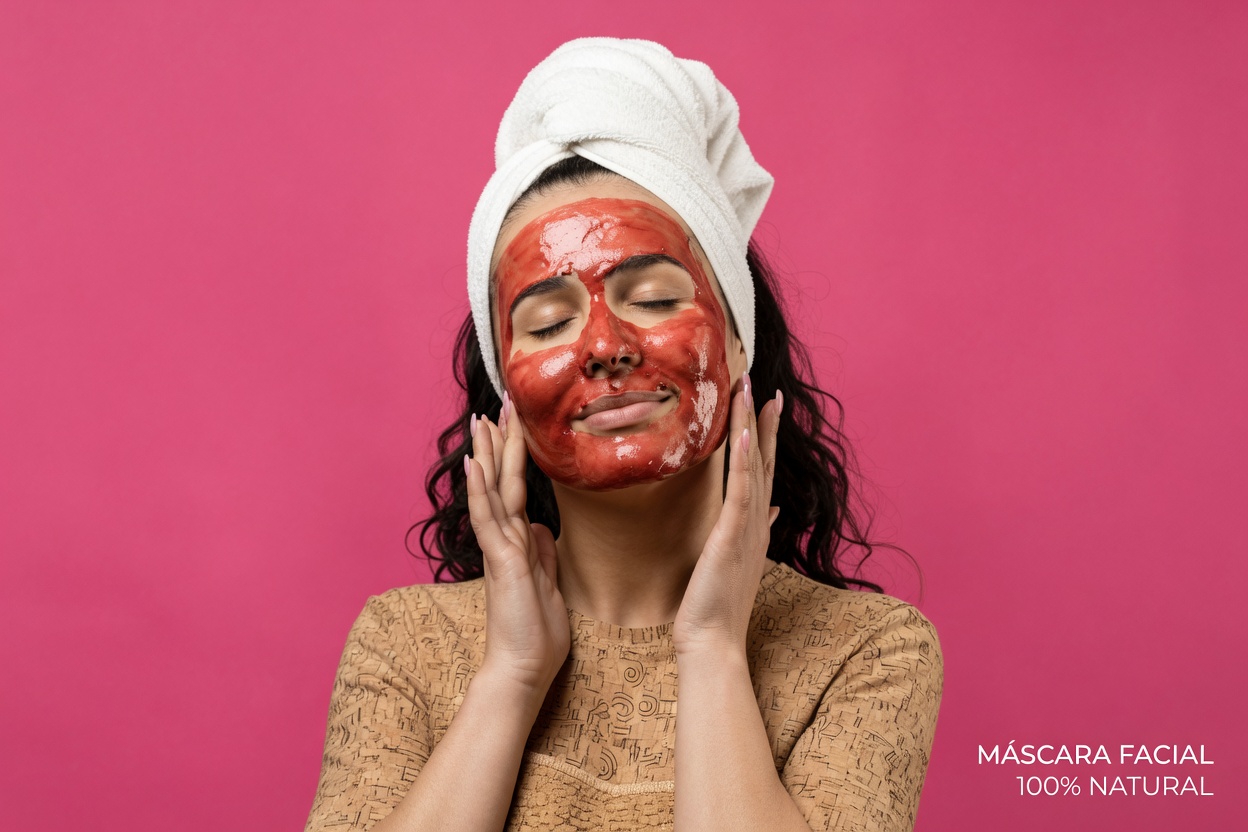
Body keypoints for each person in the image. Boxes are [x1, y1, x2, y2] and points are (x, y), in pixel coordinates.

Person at [305, 38, 942, 832]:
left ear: (739, 338)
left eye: (652, 296)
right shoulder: (406, 647)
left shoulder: (866, 653)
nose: (605, 345)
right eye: (548, 320)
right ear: (506, 384)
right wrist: (510, 676)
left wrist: (711, 647)